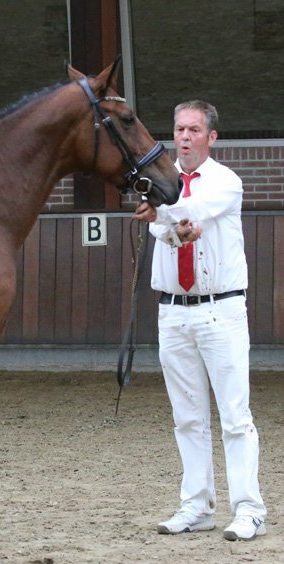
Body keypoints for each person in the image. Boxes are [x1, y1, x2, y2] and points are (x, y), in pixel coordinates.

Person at [134, 101, 266, 541]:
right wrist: (167, 219)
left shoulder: (226, 181)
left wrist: (160, 212)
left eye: (194, 130)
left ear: (211, 137)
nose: (185, 137)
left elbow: (192, 211)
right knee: (186, 417)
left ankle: (249, 509)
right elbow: (170, 230)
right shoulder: (163, 184)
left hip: (220, 309)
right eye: (179, 129)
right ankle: (197, 505)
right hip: (173, 310)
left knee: (234, 416)